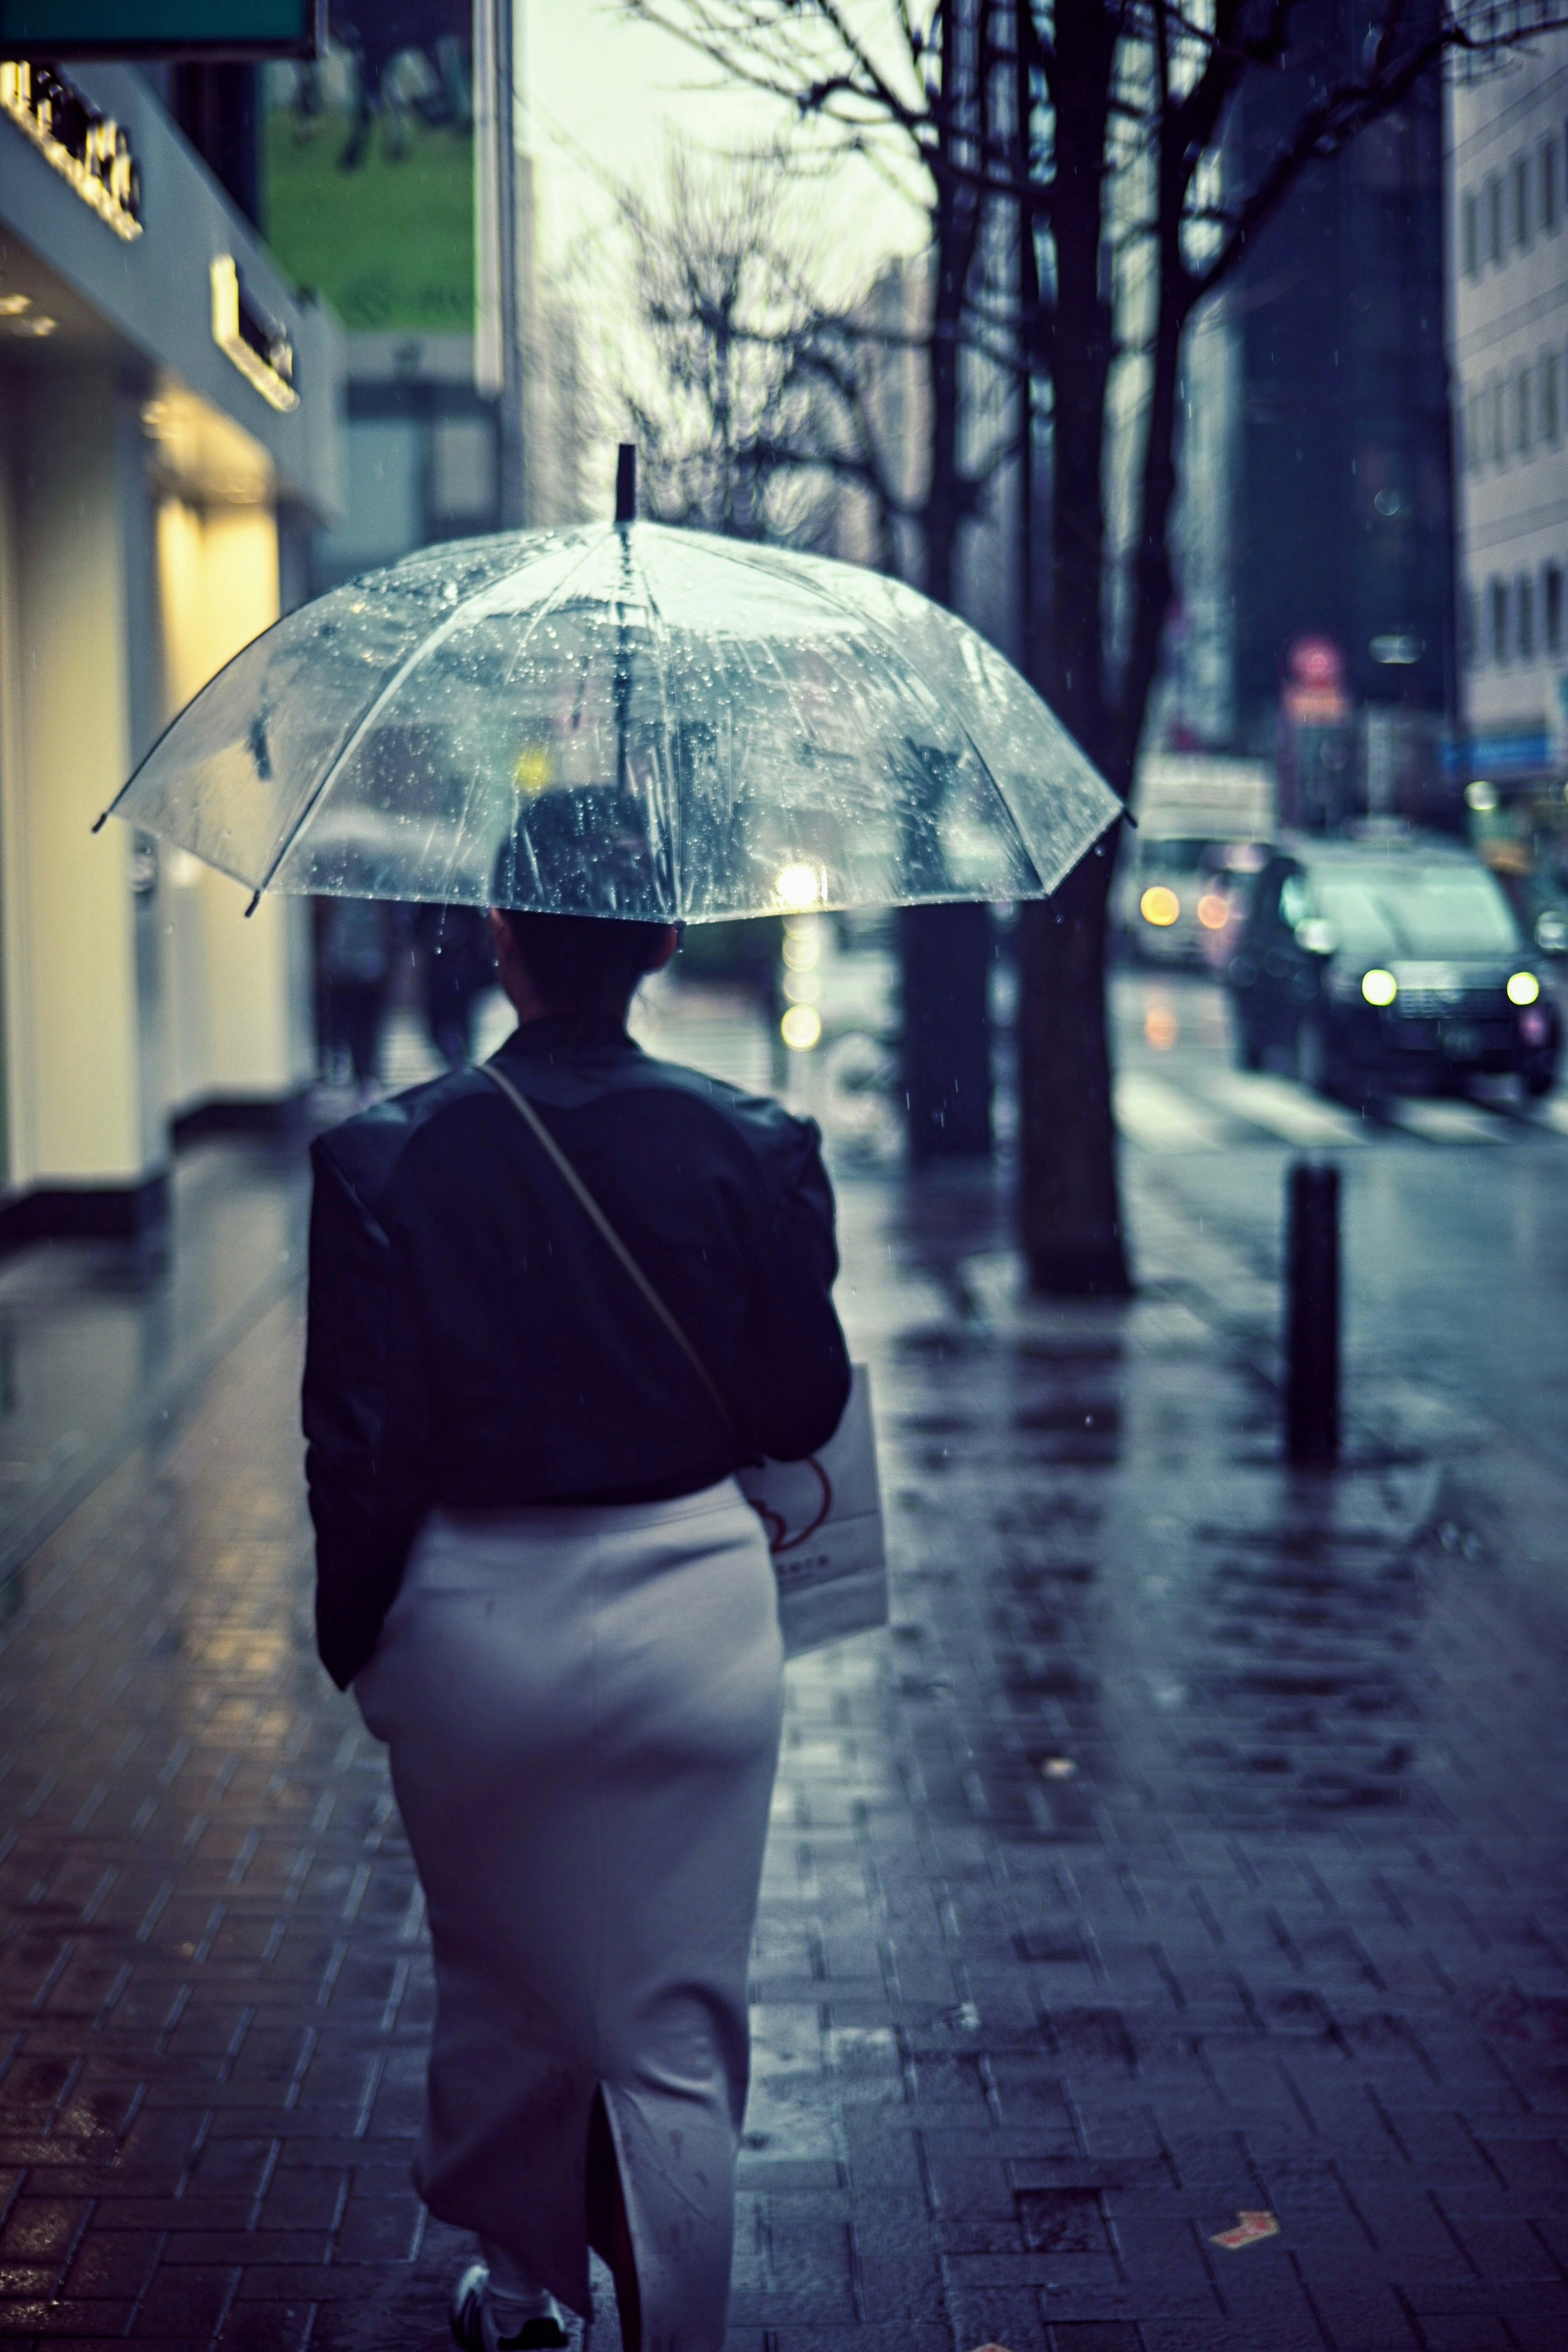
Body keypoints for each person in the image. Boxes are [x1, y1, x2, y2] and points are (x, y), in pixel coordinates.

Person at [301, 833, 851, 2350]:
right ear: (667, 944)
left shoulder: (385, 1159)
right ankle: (679, 2322)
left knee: (503, 1982)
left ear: (497, 935)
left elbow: (354, 1444)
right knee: (678, 2014)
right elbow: (802, 1406)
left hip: (476, 1622)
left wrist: (366, 1648)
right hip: (696, 1614)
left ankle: (526, 2291)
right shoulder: (757, 1147)